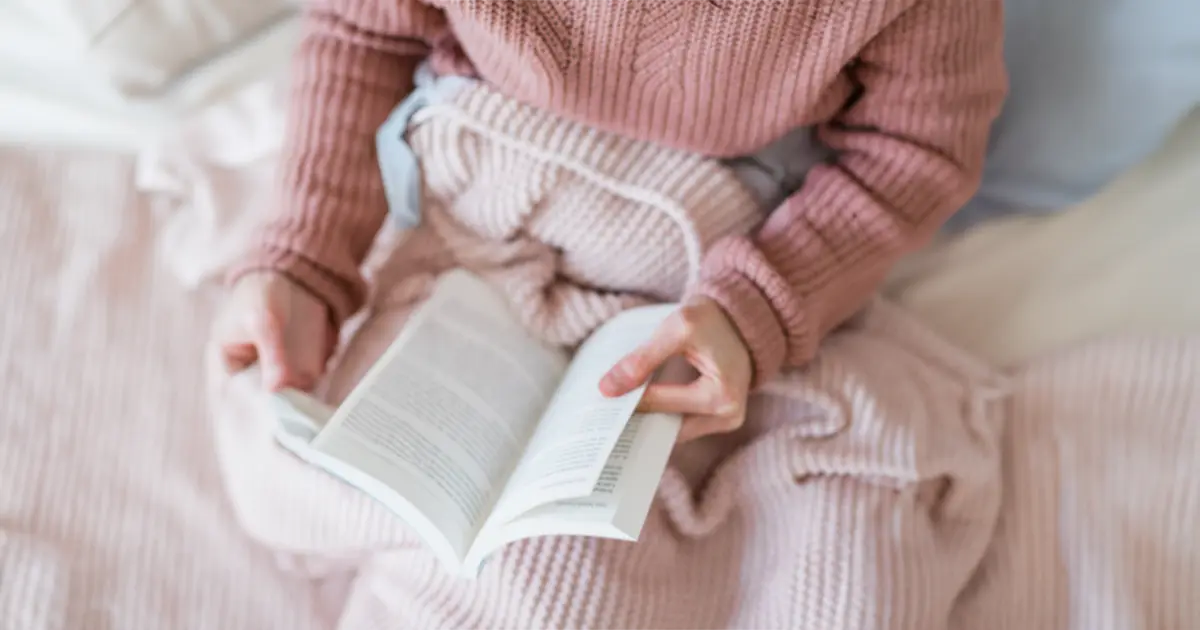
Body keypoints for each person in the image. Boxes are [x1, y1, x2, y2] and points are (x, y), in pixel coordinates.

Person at [213, 0, 1007, 443]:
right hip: (466, 207)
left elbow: (912, 153)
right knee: (302, 451)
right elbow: (362, 31)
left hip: (699, 281)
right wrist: (304, 251)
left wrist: (761, 308)